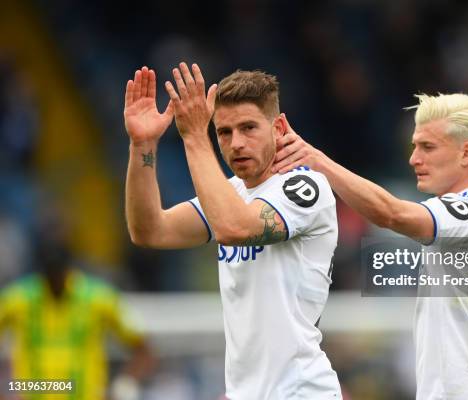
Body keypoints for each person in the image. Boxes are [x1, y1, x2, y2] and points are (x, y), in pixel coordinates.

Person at [273, 93, 468, 400]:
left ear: (466, 153)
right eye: (414, 146)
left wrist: (317, 161)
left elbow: (390, 213)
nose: (414, 158)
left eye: (428, 147)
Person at [123, 64, 341, 399]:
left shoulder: (304, 186)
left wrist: (195, 135)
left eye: (248, 127)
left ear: (278, 127)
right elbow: (150, 230)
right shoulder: (232, 192)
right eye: (224, 132)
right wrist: (143, 145)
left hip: (301, 391)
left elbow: (235, 227)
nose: (236, 143)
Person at [0, 216, 153, 400]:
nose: (55, 281)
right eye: (50, 275)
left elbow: (142, 349)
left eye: (58, 274)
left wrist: (123, 386)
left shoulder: (98, 298)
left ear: (68, 269)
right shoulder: (19, 300)